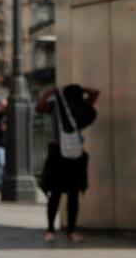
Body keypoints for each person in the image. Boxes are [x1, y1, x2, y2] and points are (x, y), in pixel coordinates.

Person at [36, 84, 99, 243]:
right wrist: (83, 89)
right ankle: (71, 231)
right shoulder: (79, 106)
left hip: (60, 154)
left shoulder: (59, 104)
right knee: (72, 195)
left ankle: (51, 229)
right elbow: (95, 93)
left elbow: (39, 107)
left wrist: (51, 91)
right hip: (73, 156)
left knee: (56, 195)